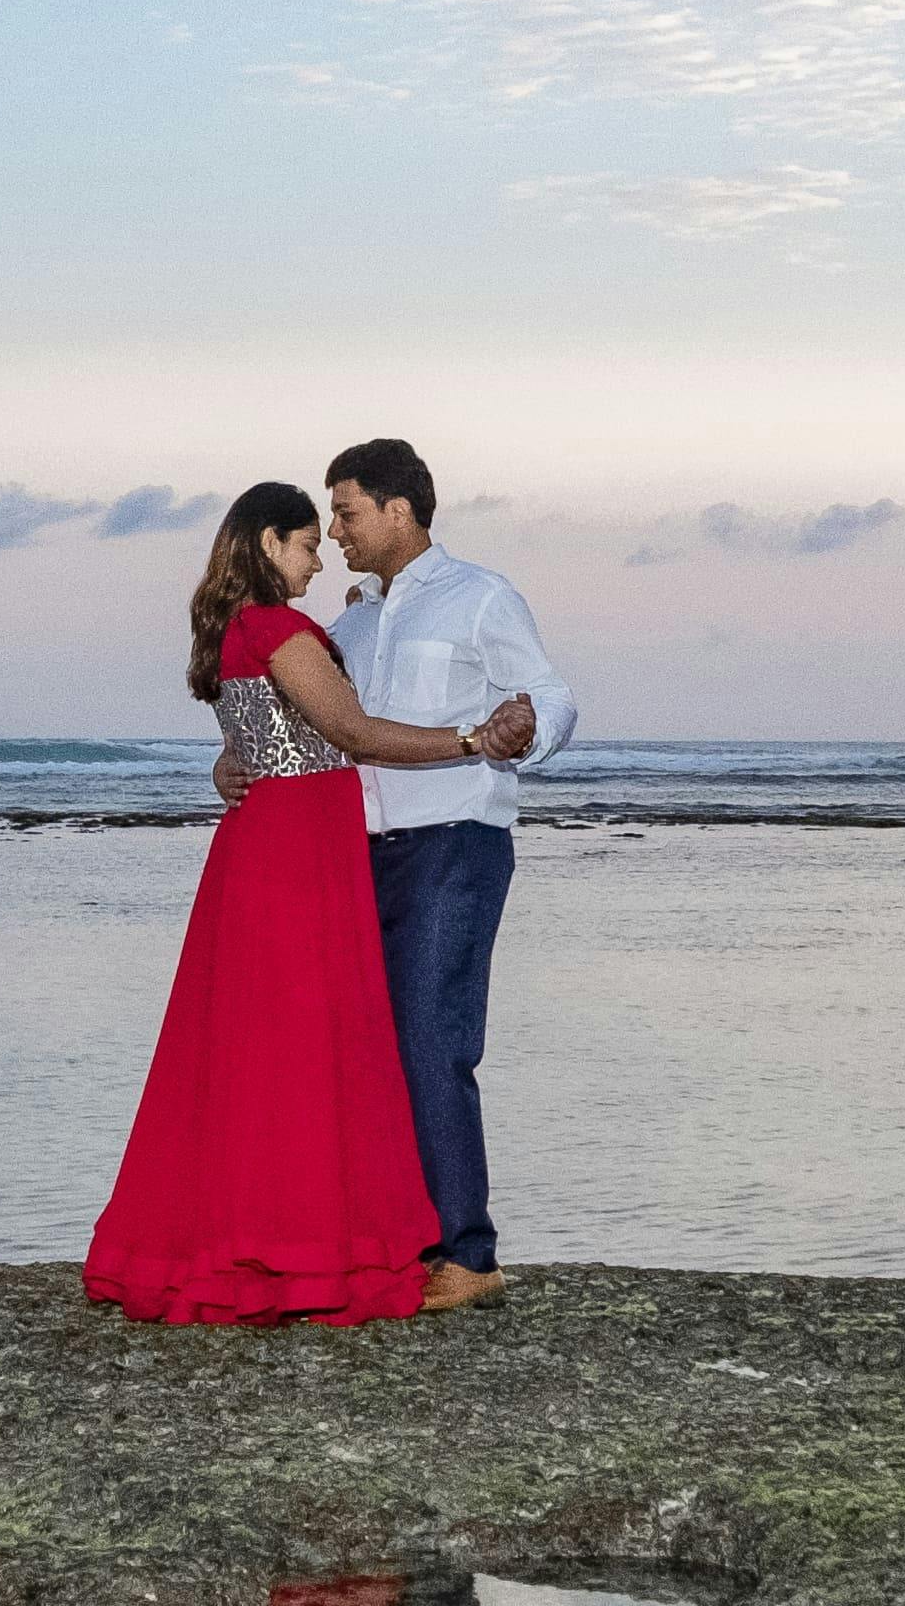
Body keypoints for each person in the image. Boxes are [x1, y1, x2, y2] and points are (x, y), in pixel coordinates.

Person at [86, 482, 519, 1327]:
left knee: (259, 1056)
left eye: (328, 539)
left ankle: (269, 1240)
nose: (318, 559)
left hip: (273, 845)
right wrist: (470, 741)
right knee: (303, 1055)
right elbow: (352, 733)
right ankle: (303, 1251)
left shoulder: (232, 631)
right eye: (305, 542)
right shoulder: (278, 628)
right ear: (265, 542)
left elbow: (246, 748)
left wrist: (227, 770)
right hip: (297, 856)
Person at [321, 437, 573, 1312]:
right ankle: (402, 1244)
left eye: (346, 510)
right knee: (369, 1052)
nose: (334, 529)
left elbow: (554, 694)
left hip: (455, 840)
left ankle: (469, 1256)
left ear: (399, 509)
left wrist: (523, 726)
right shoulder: (348, 622)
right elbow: (309, 726)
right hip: (357, 854)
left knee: (433, 1039)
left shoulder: (481, 597)